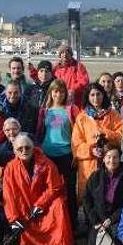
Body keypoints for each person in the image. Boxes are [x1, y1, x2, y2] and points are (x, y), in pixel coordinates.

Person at [3, 133, 74, 245]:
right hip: (25, 210)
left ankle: (60, 243)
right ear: (15, 151)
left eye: (27, 147)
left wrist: (40, 204)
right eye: (20, 149)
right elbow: (8, 195)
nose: (24, 151)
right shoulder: (10, 168)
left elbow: (55, 187)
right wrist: (13, 219)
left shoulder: (47, 163)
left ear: (33, 147)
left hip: (44, 208)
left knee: (59, 203)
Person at [72, 84, 123, 204]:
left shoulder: (113, 115)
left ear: (103, 95)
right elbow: (76, 144)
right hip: (89, 164)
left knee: (109, 196)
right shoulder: (81, 118)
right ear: (88, 97)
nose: (96, 98)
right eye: (92, 95)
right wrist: (91, 150)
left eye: (98, 94)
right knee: (88, 197)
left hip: (110, 162)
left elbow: (122, 136)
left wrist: (105, 133)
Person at [37, 79, 80, 224]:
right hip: (48, 155)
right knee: (48, 189)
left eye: (62, 91)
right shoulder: (45, 111)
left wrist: (76, 153)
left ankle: (72, 222)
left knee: (69, 188)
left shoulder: (71, 109)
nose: (58, 94)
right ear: (51, 93)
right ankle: (49, 220)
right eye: (55, 91)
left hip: (66, 154)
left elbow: (78, 132)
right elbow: (40, 132)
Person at [83, 146, 123, 245]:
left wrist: (112, 219)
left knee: (118, 238)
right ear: (103, 158)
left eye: (115, 157)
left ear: (120, 158)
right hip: (98, 219)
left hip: (117, 219)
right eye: (109, 157)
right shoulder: (95, 177)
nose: (112, 161)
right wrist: (95, 221)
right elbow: (87, 199)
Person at [52, 43, 90, 107]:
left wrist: (73, 90)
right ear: (60, 55)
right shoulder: (55, 68)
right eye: (62, 52)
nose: (65, 54)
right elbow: (47, 79)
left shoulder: (78, 66)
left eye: (67, 52)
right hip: (59, 100)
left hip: (76, 102)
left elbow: (85, 81)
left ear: (71, 54)